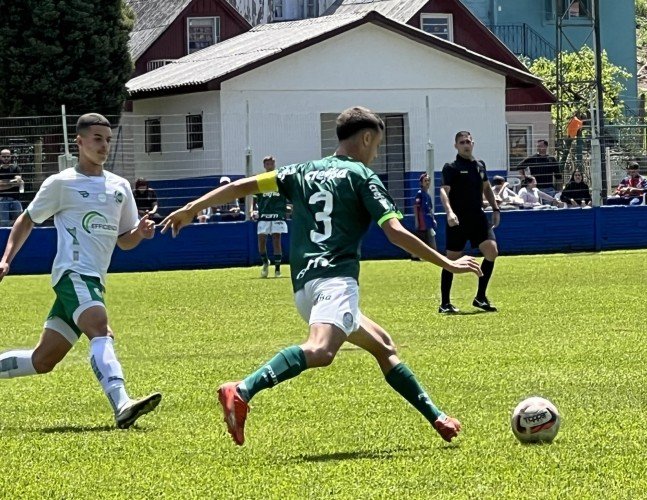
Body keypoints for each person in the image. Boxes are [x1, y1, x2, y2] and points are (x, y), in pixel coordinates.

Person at [161, 106, 481, 446]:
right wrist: (447, 263)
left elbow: (245, 185)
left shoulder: (300, 171)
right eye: (377, 145)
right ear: (367, 137)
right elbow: (395, 232)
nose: (376, 152)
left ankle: (437, 417)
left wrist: (192, 208)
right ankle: (241, 389)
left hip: (305, 287)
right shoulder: (361, 176)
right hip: (336, 281)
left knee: (383, 346)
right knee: (322, 351)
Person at [0, 113, 161, 428]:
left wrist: (140, 233)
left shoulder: (120, 187)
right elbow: (28, 218)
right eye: (97, 139)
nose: (103, 146)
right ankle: (122, 404)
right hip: (73, 274)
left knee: (43, 360)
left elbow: (123, 242)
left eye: (108, 140)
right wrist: (6, 258)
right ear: (80, 141)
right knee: (101, 329)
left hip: (94, 281)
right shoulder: (61, 183)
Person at [439, 131, 501, 314]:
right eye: (462, 142)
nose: (466, 144)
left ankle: (480, 297)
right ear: (456, 146)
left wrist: (495, 208)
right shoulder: (451, 167)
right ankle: (445, 303)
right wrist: (449, 213)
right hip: (458, 220)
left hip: (478, 218)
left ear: (473, 143)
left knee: (491, 251)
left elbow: (487, 187)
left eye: (468, 141)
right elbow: (444, 191)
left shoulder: (480, 165)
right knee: (451, 260)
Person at [253, 156, 290, 278]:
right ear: (264, 166)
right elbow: (254, 198)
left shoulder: (281, 179)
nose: (269, 166)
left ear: (274, 164)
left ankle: (278, 269)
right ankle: (265, 262)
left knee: (276, 239)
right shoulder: (260, 180)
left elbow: (288, 194)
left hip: (278, 214)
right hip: (264, 214)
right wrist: (251, 210)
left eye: (271, 164)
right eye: (267, 164)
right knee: (261, 240)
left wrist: (289, 206)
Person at [413, 173, 437, 254]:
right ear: (421, 183)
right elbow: (416, 207)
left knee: (429, 239)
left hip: (428, 222)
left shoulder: (428, 195)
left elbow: (430, 209)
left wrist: (433, 219)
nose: (427, 182)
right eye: (425, 181)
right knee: (421, 240)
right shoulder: (419, 194)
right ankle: (415, 255)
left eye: (428, 180)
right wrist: (417, 221)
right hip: (422, 222)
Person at [0, 148, 24, 226]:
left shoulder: (15, 168)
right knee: (4, 224)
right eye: (4, 156)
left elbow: (19, 181)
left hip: (15, 198)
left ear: (10, 157)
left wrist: (4, 183)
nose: (6, 158)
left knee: (19, 222)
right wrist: (12, 183)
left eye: (8, 156)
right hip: (2, 200)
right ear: (0, 157)